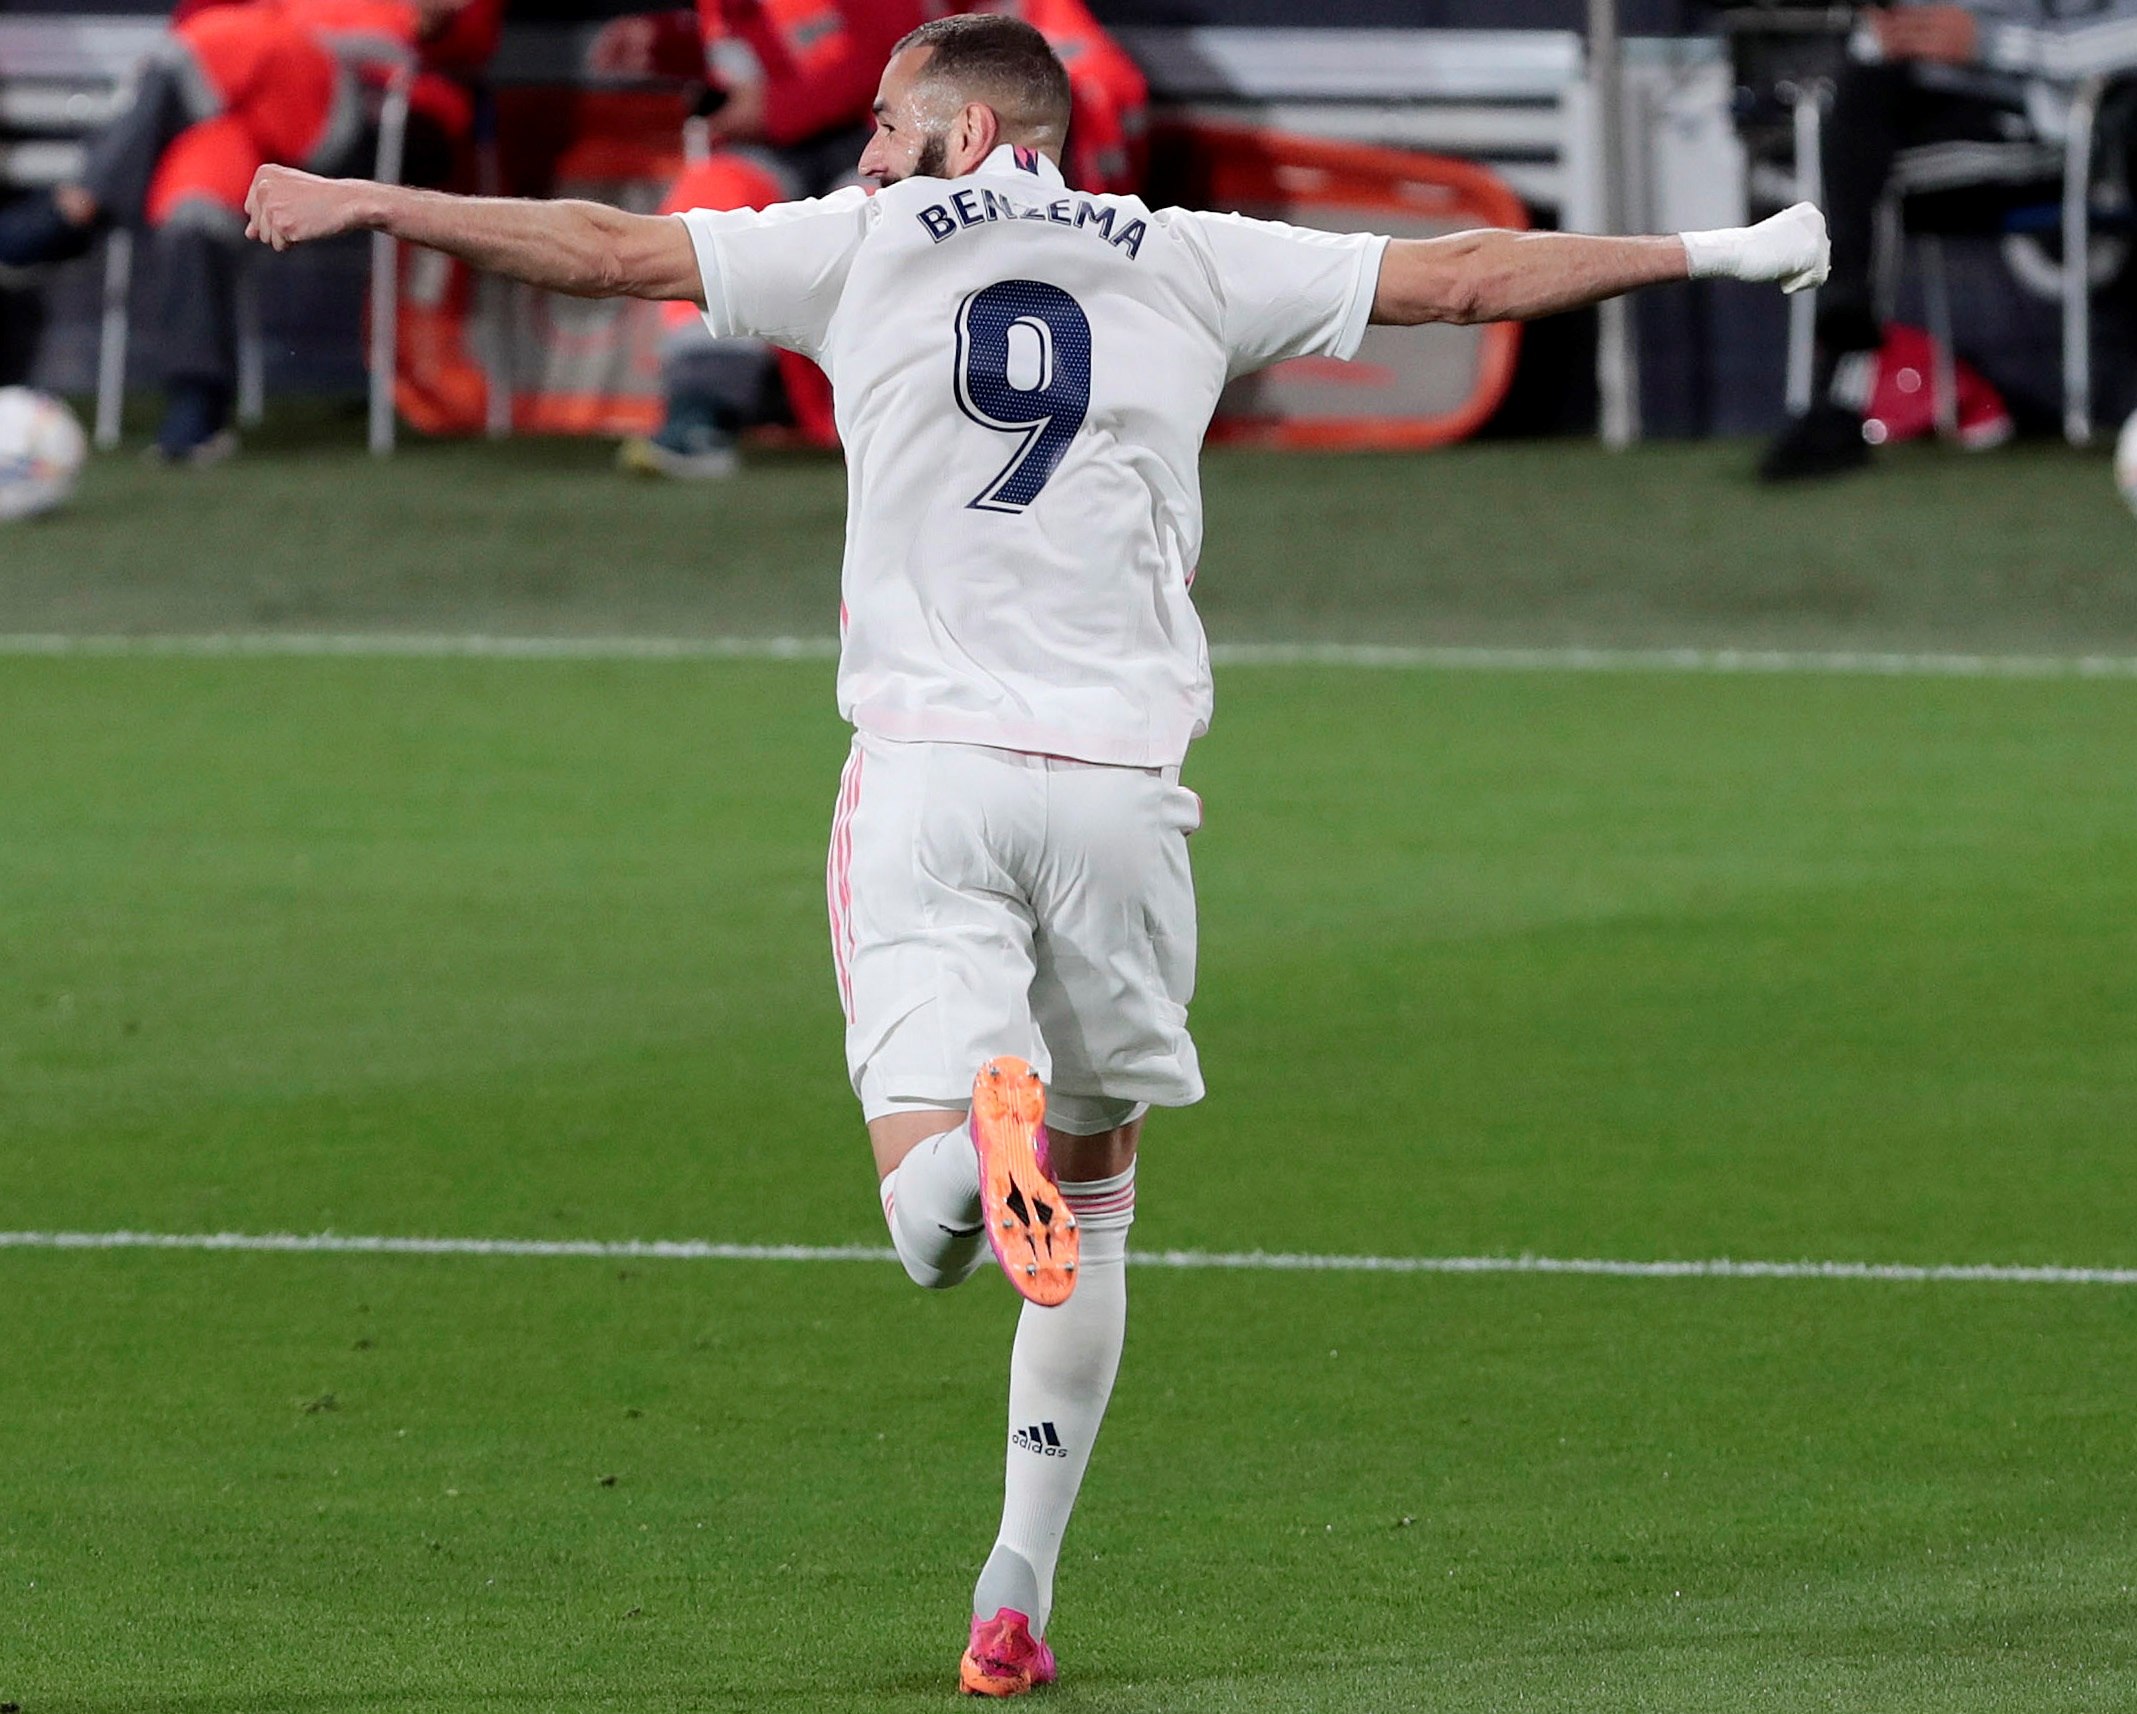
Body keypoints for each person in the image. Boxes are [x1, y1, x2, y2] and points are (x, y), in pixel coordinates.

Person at [242, 14, 1827, 1696]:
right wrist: (1720, 246)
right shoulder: (1189, 253)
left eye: (879, 122)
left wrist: (372, 199)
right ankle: (1015, 1586)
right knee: (1102, 1199)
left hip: (934, 771)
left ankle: (964, 1161)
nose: (859, 150)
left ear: (967, 129)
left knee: (933, 1226)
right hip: (1127, 796)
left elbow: (602, 249)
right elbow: (1456, 277)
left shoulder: (852, 248)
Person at [597, 0, 1143, 478]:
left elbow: (895, 57)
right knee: (708, 197)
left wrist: (773, 110)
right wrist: (663, 42)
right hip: (779, 148)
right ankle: (701, 412)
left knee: (891, 225)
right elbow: (744, 53)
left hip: (885, 135)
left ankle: (944, 412)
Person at [0, 0, 499, 463]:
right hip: (248, 108)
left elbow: (471, 33)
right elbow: (193, 22)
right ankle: (199, 403)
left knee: (242, 41)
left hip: (371, 104)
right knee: (197, 187)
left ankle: (77, 209)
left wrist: (441, 18)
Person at [1761, 0, 2137, 480]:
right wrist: (1892, 32)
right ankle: (1836, 391)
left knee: (1859, 173)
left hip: (2047, 120)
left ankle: (1840, 389)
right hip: (1927, 104)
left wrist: (1989, 43)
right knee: (1856, 99)